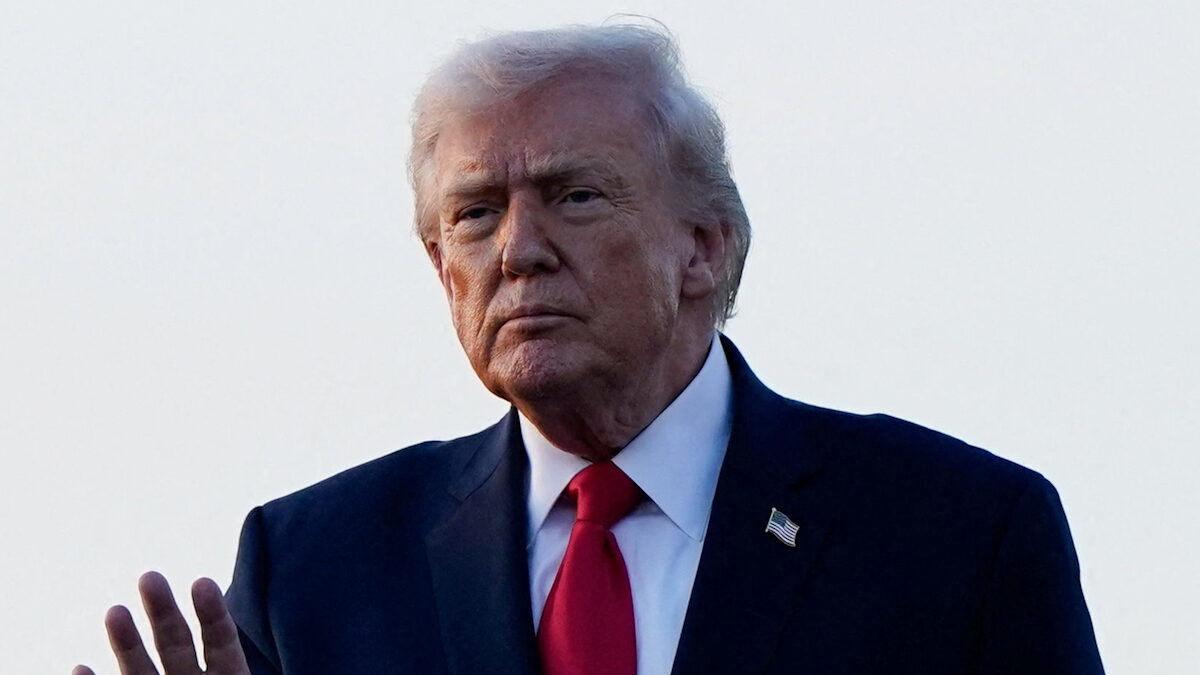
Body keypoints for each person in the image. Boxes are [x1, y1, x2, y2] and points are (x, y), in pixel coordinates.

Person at [75, 23, 1105, 675]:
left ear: (706, 245)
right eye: (474, 215)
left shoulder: (959, 536)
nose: (519, 251)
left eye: (573, 196)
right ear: (443, 272)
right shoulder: (317, 570)